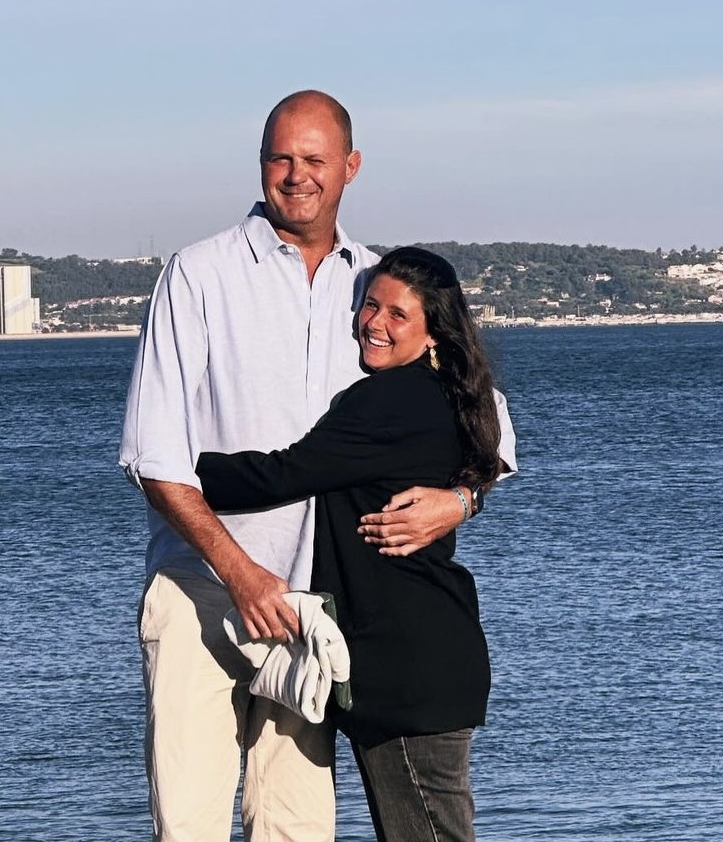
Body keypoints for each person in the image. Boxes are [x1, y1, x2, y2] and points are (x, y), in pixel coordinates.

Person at [118, 91, 514, 842]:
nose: (297, 175)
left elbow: (484, 412)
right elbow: (151, 453)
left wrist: (461, 499)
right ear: (260, 164)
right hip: (203, 592)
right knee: (188, 827)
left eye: (315, 159)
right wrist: (241, 573)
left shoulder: (375, 286)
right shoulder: (198, 274)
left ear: (350, 167)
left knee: (297, 830)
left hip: (312, 617)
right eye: (281, 158)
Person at [195, 247, 502, 842]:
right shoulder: (451, 395)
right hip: (429, 656)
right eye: (370, 306)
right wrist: (468, 498)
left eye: (397, 315)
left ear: (434, 333)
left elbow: (281, 474)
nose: (374, 323)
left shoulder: (390, 400)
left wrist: (172, 469)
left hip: (406, 666)